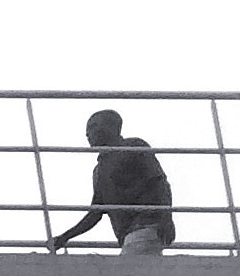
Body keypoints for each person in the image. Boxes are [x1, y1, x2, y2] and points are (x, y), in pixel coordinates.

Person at [47, 107, 176, 253]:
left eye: (94, 126)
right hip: (128, 236)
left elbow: (158, 183)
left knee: (131, 266)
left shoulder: (132, 147)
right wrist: (64, 237)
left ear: (112, 127)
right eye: (87, 129)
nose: (88, 133)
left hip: (147, 226)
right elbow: (95, 213)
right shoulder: (99, 170)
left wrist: (165, 218)